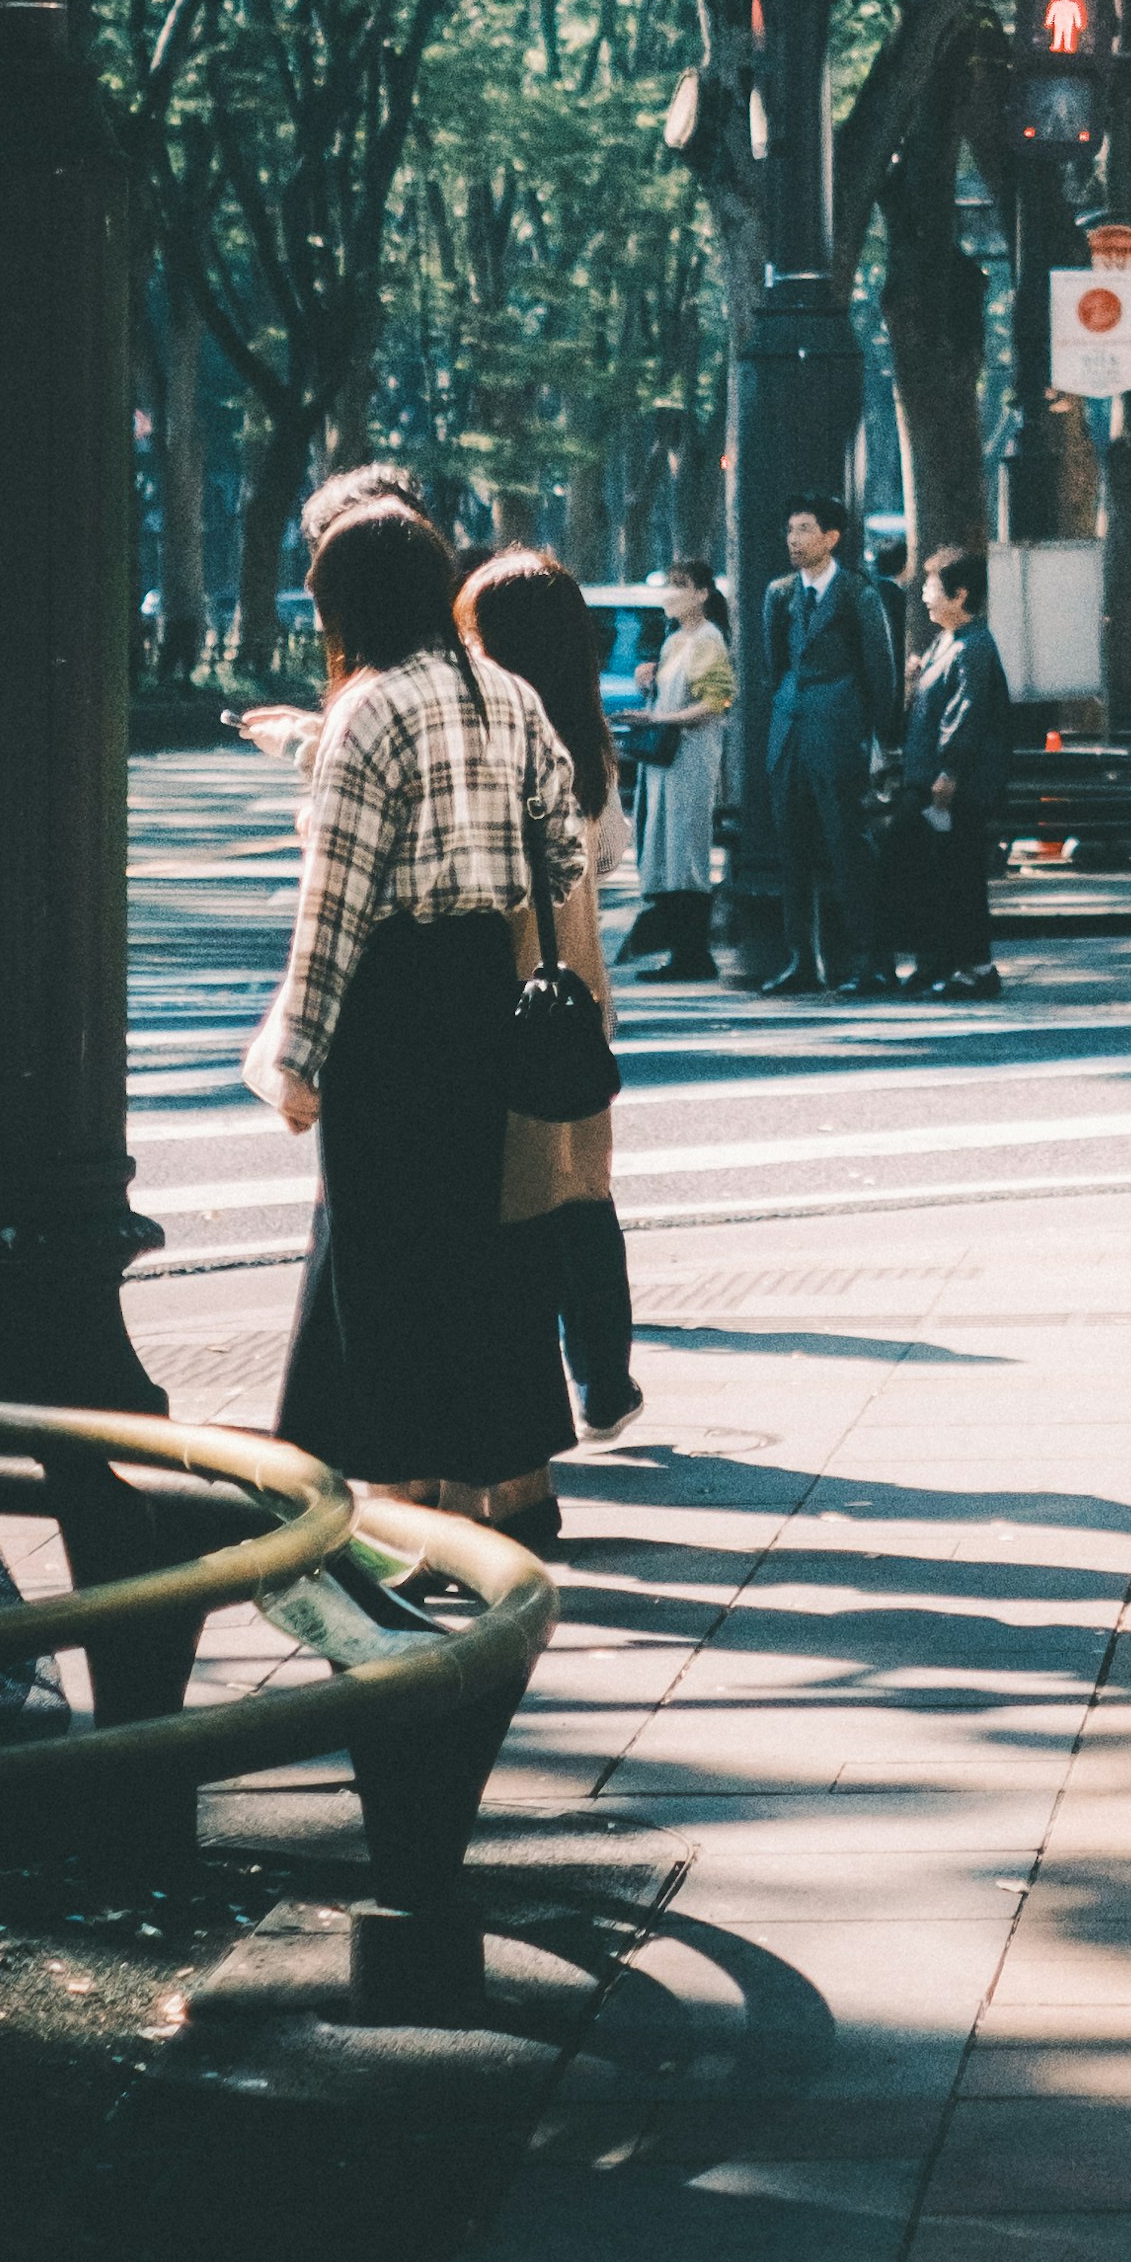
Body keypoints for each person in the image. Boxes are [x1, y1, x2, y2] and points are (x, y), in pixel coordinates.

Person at [243, 497, 583, 1545]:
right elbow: (566, 845)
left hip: (390, 1009)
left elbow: (332, 907)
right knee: (480, 1246)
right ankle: (509, 1488)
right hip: (484, 988)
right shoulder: (506, 694)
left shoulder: (369, 707)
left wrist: (294, 1059)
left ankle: (401, 1505)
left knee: (383, 1257)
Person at [458, 545, 644, 1443]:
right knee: (585, 1186)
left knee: (527, 1194)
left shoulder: (499, 737)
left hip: (515, 986)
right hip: (579, 986)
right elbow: (609, 854)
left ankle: (539, 1404)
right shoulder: (585, 733)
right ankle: (605, 1373)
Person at [742, 495, 901, 996]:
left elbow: (880, 667)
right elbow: (775, 666)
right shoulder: (780, 593)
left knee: (848, 848)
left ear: (831, 537)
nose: (794, 538)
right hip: (790, 732)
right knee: (792, 852)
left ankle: (871, 961)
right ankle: (800, 960)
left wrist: (878, 738)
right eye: (790, 528)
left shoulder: (857, 592)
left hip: (839, 733)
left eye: (805, 528)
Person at [878, 543, 1013, 996]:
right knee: (930, 872)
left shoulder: (972, 646)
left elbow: (967, 713)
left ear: (960, 594)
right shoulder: (947, 641)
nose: (925, 597)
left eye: (933, 588)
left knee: (958, 876)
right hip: (930, 778)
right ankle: (938, 960)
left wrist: (949, 773)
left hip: (952, 786)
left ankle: (972, 966)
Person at [622, 562, 732, 978]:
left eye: (680, 587)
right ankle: (680, 952)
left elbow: (716, 702)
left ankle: (692, 954)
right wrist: (649, 690)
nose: (670, 595)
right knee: (663, 848)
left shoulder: (707, 639)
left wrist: (660, 720)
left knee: (685, 849)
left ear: (702, 594)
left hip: (689, 759)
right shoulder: (674, 642)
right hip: (665, 761)